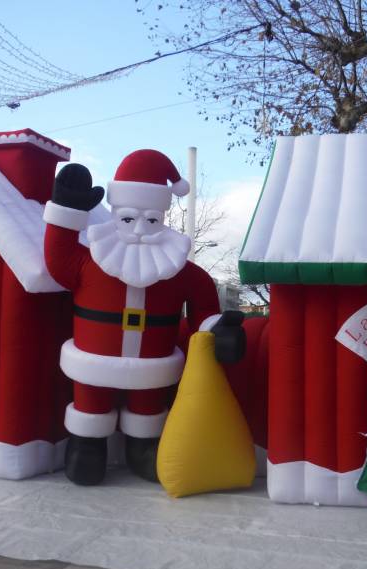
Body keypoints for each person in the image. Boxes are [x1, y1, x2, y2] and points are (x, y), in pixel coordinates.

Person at [43, 149, 244, 485]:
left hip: (154, 366)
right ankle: (87, 447)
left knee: (148, 408)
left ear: (162, 217)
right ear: (115, 215)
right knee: (90, 405)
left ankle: (143, 449)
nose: (138, 229)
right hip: (93, 362)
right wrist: (66, 210)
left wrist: (219, 330)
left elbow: (203, 311)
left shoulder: (181, 272)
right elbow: (57, 258)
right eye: (127, 219)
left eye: (150, 220)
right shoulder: (89, 262)